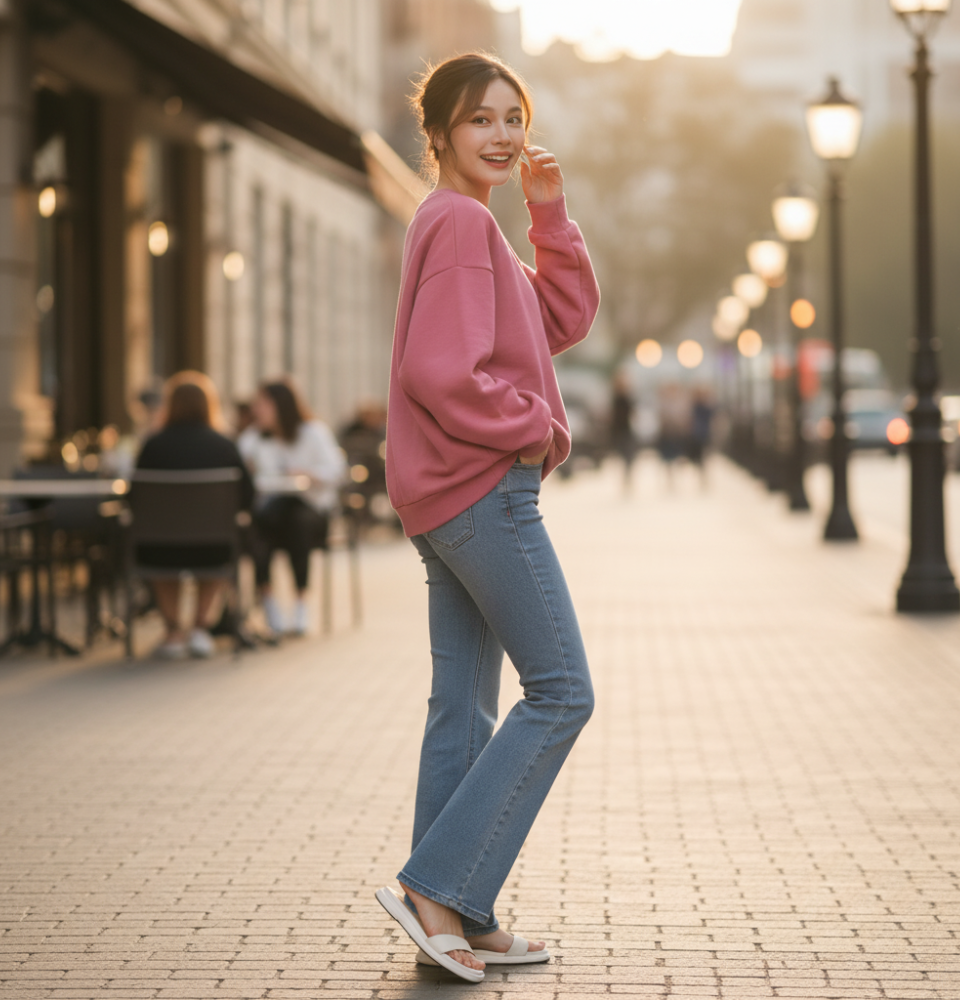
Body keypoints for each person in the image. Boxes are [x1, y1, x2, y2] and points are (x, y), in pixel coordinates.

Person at [374, 53, 600, 982]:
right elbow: (439, 371)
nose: (503, 135)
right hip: (482, 493)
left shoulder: (468, 227)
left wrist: (548, 214)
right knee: (561, 691)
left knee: (463, 706)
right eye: (480, 120)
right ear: (438, 137)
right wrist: (531, 428)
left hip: (446, 495)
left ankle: (455, 915)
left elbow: (561, 319)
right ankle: (439, 885)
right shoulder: (462, 222)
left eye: (514, 117)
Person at [134, 371, 254, 659]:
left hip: (159, 546)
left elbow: (133, 498)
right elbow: (248, 496)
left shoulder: (153, 445)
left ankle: (174, 631)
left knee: (161, 555)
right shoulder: (225, 445)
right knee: (220, 548)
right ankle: (200, 627)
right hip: (214, 546)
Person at [238, 380, 346, 636]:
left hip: (309, 510)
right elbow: (242, 474)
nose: (256, 410)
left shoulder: (313, 432)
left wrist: (308, 474)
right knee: (256, 530)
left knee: (297, 520)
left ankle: (300, 603)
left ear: (279, 405)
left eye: (262, 404)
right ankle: (269, 602)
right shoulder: (253, 438)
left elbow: (337, 471)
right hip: (269, 514)